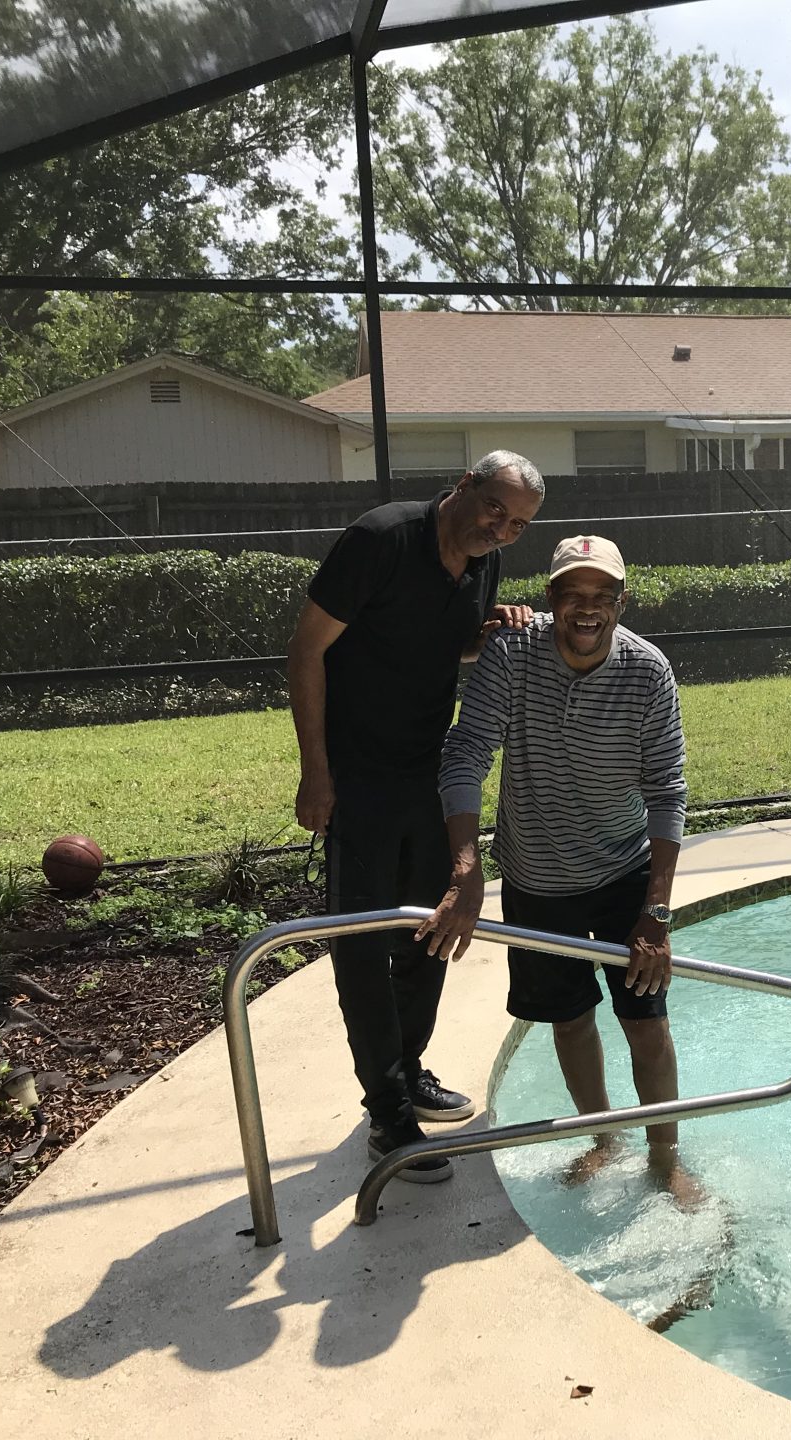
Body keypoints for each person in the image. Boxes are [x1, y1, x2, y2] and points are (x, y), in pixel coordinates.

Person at [418, 534, 701, 1206]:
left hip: (625, 873)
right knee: (569, 1019)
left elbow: (668, 790)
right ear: (551, 599)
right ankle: (605, 1139)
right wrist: (466, 870)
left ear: (621, 603)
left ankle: (665, 1158)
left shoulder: (646, 670)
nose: (587, 609)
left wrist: (655, 914)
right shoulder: (512, 653)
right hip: (537, 879)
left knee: (646, 1021)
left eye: (602, 597)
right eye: (573, 594)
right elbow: (465, 754)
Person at [287, 449, 545, 1182]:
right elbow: (307, 651)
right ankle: (387, 1112)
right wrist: (317, 771)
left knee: (434, 927)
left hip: (431, 773)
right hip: (360, 778)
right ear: (464, 485)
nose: (501, 528)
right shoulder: (381, 539)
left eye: (519, 524)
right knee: (363, 941)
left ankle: (407, 1066)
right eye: (495, 507)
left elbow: (446, 642)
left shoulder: (482, 563)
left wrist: (486, 632)